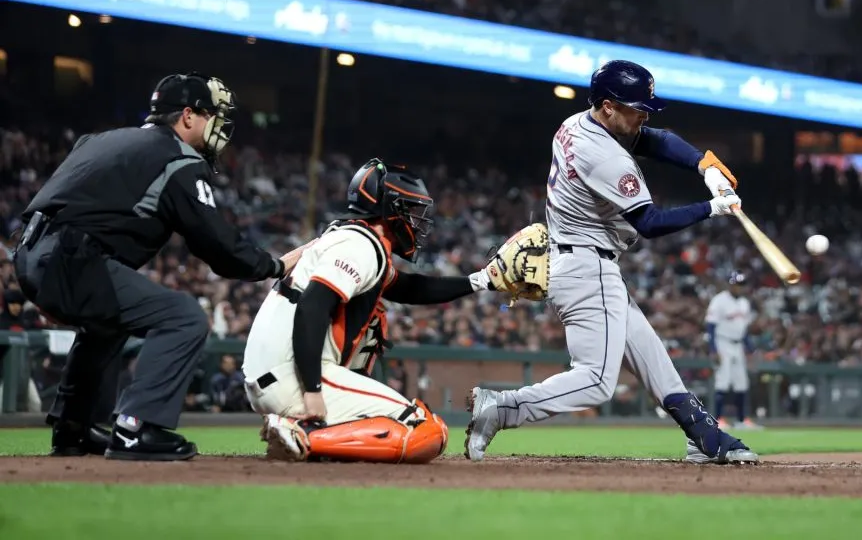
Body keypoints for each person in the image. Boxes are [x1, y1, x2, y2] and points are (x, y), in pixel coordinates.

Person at [464, 59, 760, 465]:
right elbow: (650, 223)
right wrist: (712, 207)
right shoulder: (604, 155)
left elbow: (654, 138)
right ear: (607, 106)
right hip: (588, 268)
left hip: (585, 262)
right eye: (636, 108)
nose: (643, 116)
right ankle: (502, 408)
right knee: (597, 382)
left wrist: (702, 164)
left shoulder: (577, 123)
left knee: (652, 357)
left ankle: (703, 436)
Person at [13, 72, 308, 461]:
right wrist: (272, 265)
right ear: (187, 116)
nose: (215, 126)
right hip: (70, 258)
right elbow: (217, 245)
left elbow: (53, 198)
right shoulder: (178, 159)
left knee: (107, 322)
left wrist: (44, 277)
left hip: (32, 249)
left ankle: (74, 429)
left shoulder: (101, 140)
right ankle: (137, 427)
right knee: (184, 316)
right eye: (208, 115)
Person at [246, 158, 522, 463]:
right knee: (427, 430)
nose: (418, 222)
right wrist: (312, 389)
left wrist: (481, 280)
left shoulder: (353, 238)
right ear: (390, 209)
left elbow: (410, 288)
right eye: (411, 210)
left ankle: (301, 432)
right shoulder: (360, 245)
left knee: (389, 426)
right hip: (295, 377)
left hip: (275, 372)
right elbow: (312, 306)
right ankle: (302, 434)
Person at [704, 270, 760, 430]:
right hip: (723, 343)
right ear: (730, 284)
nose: (739, 288)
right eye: (736, 284)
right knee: (723, 382)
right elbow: (710, 327)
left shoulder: (744, 303)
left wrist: (751, 349)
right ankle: (717, 420)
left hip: (738, 345)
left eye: (742, 285)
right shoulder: (719, 300)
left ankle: (742, 421)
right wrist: (714, 350)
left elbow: (744, 330)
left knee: (741, 383)